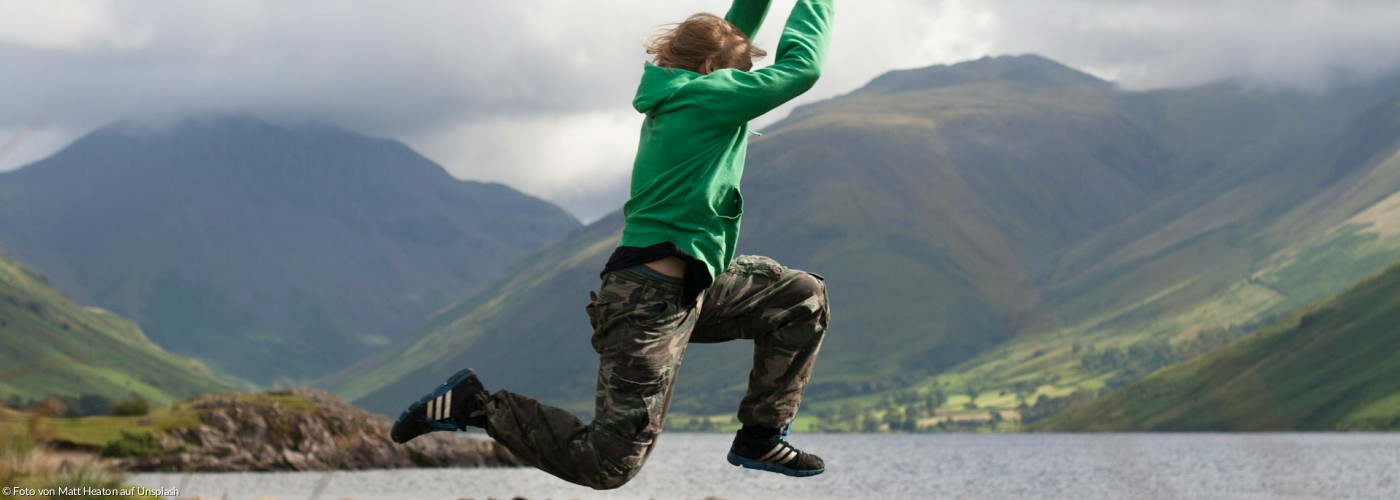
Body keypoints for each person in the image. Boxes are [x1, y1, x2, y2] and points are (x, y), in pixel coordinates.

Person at [390, 0, 834, 489]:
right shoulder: (705, 97)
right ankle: (476, 405)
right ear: (711, 70)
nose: (749, 84)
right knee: (608, 465)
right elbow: (803, 68)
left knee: (800, 297)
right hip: (647, 301)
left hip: (696, 286)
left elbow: (734, 32)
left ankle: (760, 436)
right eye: (743, 73)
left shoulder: (693, 90)